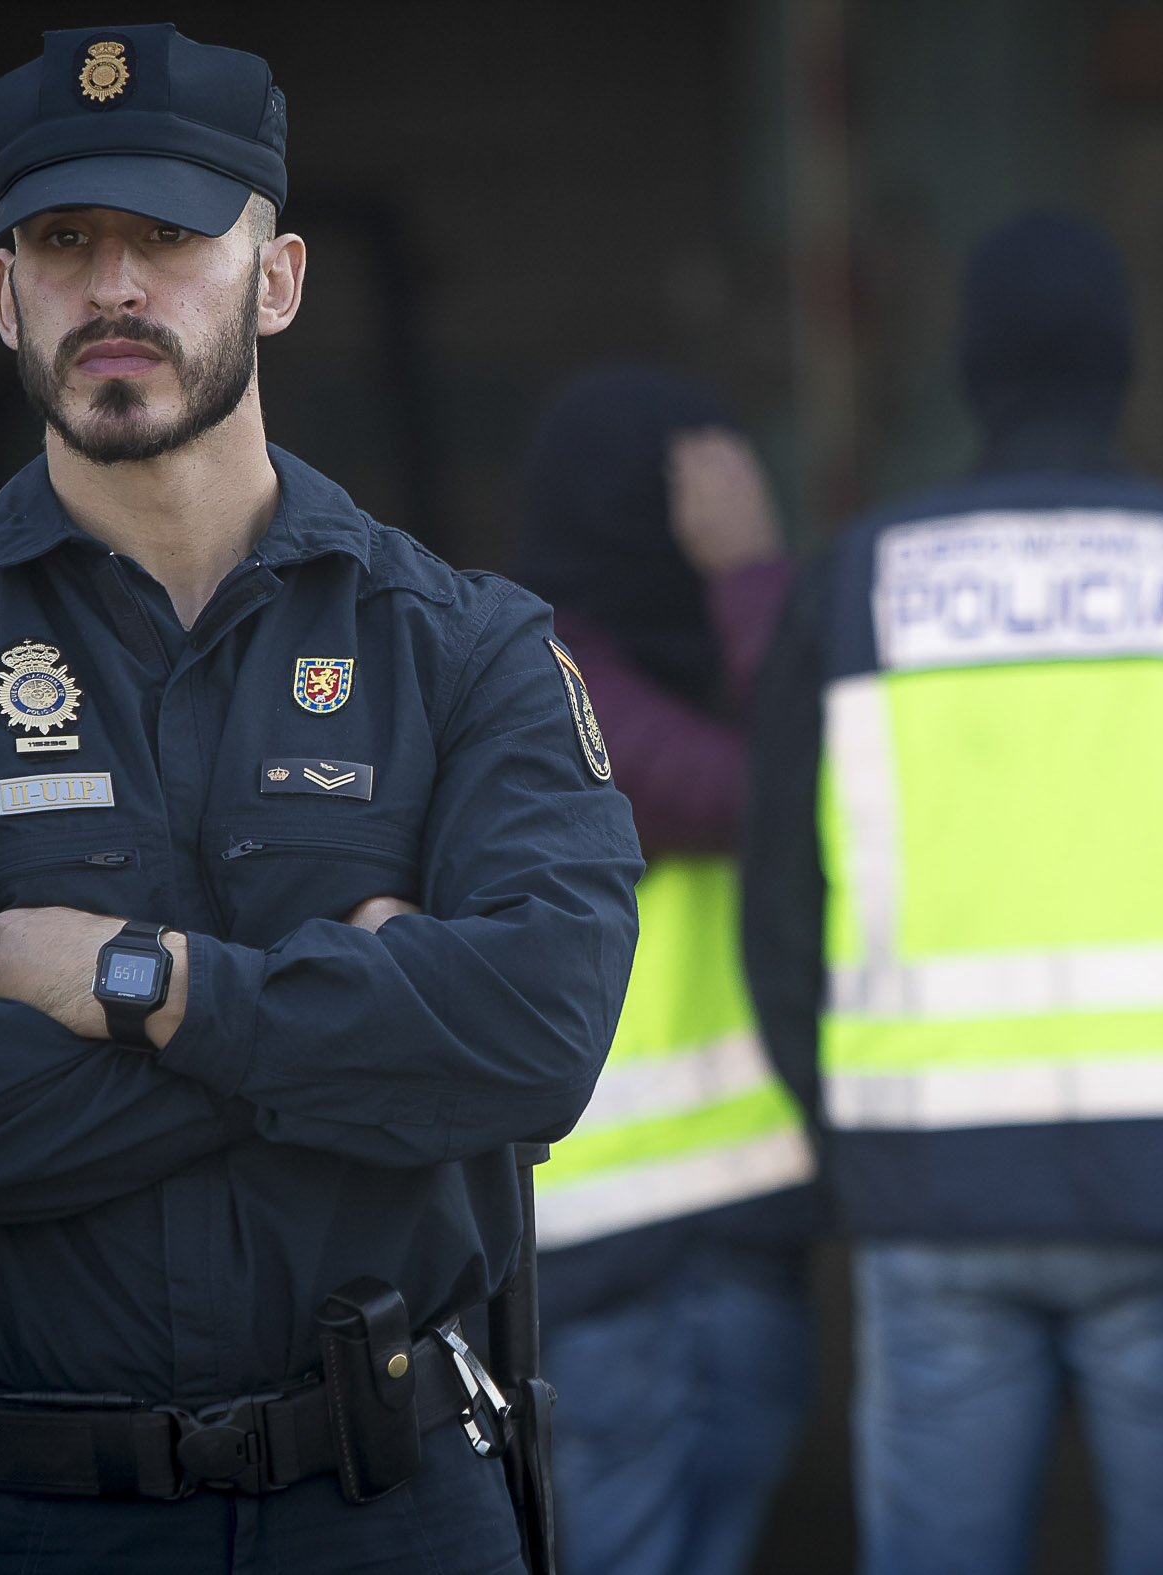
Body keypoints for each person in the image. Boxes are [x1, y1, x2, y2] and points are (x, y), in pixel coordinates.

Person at [0, 24, 641, 1573]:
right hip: (26, 1513)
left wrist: (140, 981)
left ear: (274, 278)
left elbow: (541, 1035)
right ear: (5, 291)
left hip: (394, 1504)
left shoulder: (464, 649)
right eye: (62, 240)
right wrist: (354, 1029)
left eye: (168, 236)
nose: (114, 286)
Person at [741, 211, 1163, 1575]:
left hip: (930, 1187)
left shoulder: (852, 586)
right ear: (1123, 364)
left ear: (969, 368)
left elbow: (779, 920)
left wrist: (849, 1134)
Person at [513, 366, 819, 1575]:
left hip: (724, 1235)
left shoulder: (672, 671)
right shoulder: (547, 688)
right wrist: (753, 578)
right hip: (618, 1265)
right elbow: (794, 793)